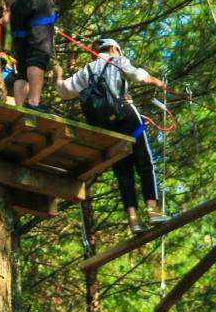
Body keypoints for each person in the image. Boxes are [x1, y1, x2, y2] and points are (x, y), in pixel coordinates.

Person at [55, 38, 170, 234]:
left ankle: (133, 219)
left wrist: (58, 76)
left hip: (106, 126)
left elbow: (64, 91)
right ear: (114, 49)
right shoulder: (117, 61)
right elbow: (140, 77)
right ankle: (152, 210)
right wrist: (158, 83)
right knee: (144, 161)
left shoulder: (87, 71)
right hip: (126, 116)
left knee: (123, 171)